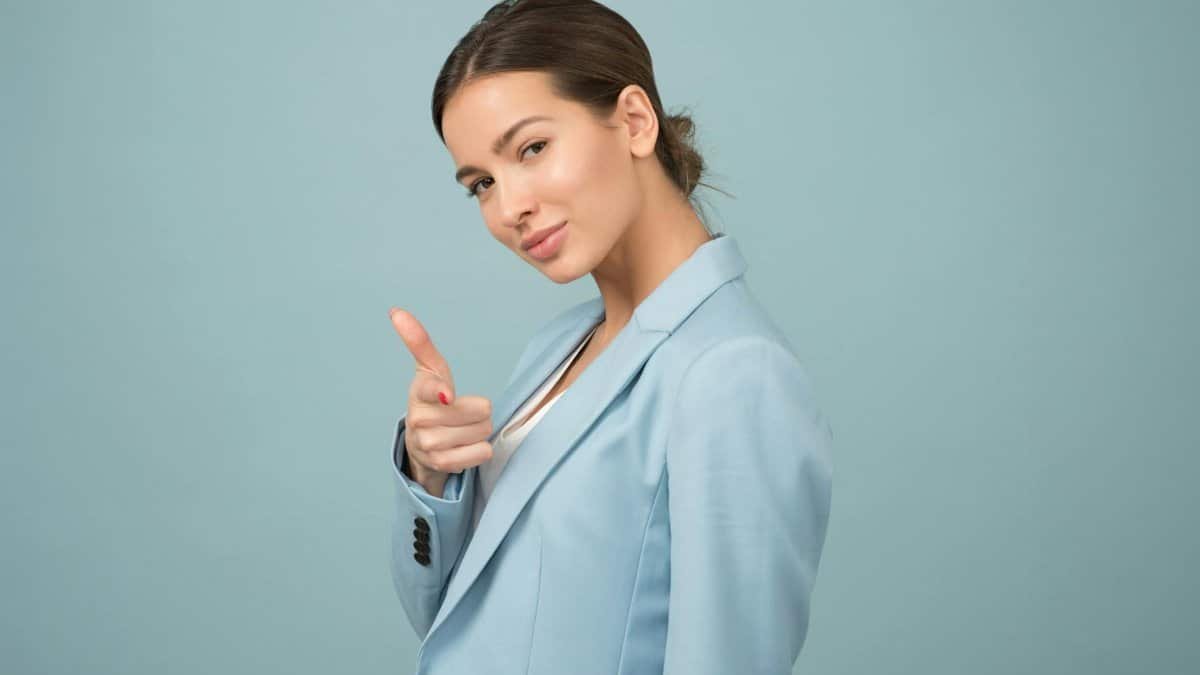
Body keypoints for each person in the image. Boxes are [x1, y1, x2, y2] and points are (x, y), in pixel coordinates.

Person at [385, 1, 833, 673]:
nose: (510, 209)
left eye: (532, 148)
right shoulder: (557, 345)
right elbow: (454, 624)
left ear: (634, 120)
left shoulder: (733, 372)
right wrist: (432, 471)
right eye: (481, 183)